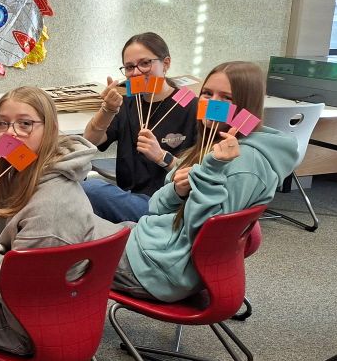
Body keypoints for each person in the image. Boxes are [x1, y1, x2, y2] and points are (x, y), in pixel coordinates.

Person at [0, 86, 120, 356]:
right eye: (2, 123)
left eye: (25, 124)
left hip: (28, 325)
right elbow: (5, 230)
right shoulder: (25, 172)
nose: (10, 133)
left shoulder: (51, 209)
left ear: (49, 129)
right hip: (30, 298)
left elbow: (10, 288)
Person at [113, 61, 298, 302]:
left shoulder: (243, 165)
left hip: (161, 269)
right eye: (207, 94)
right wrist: (177, 191)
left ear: (246, 108)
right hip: (157, 244)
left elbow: (204, 238)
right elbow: (155, 207)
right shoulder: (210, 145)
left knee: (68, 243)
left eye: (226, 98)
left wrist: (210, 172)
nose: (212, 103)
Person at [82, 32, 199, 223]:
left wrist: (162, 157)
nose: (136, 72)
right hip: (130, 197)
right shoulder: (127, 101)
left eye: (145, 63)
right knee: (76, 186)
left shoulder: (191, 106)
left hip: (169, 205)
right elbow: (89, 141)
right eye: (129, 67)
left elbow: (200, 175)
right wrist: (107, 109)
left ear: (166, 63)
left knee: (90, 190)